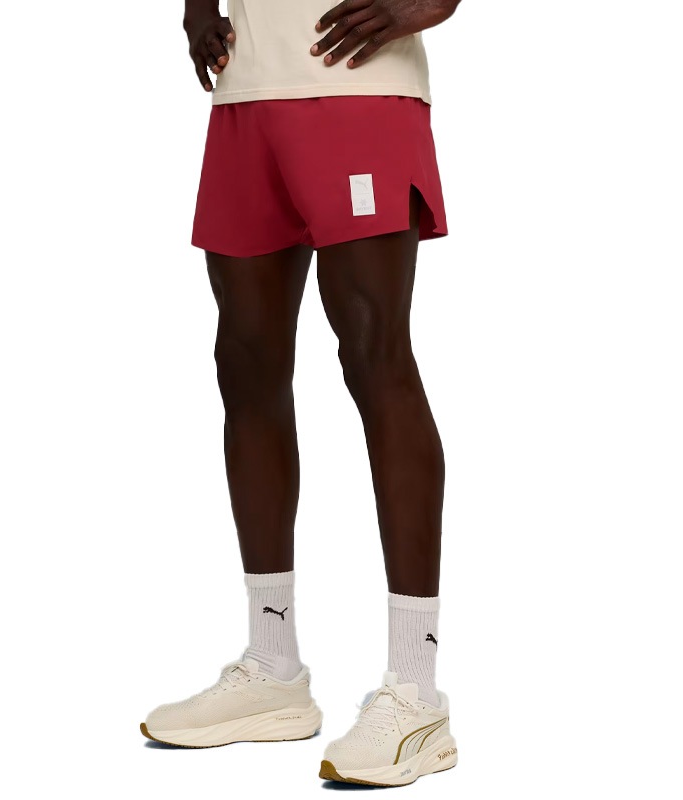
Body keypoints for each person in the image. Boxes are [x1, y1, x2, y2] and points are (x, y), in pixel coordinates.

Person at [141, 0, 462, 786]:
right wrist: (197, 6)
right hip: (247, 88)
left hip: (358, 84)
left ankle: (415, 693)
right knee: (245, 364)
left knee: (374, 356)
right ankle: (273, 666)